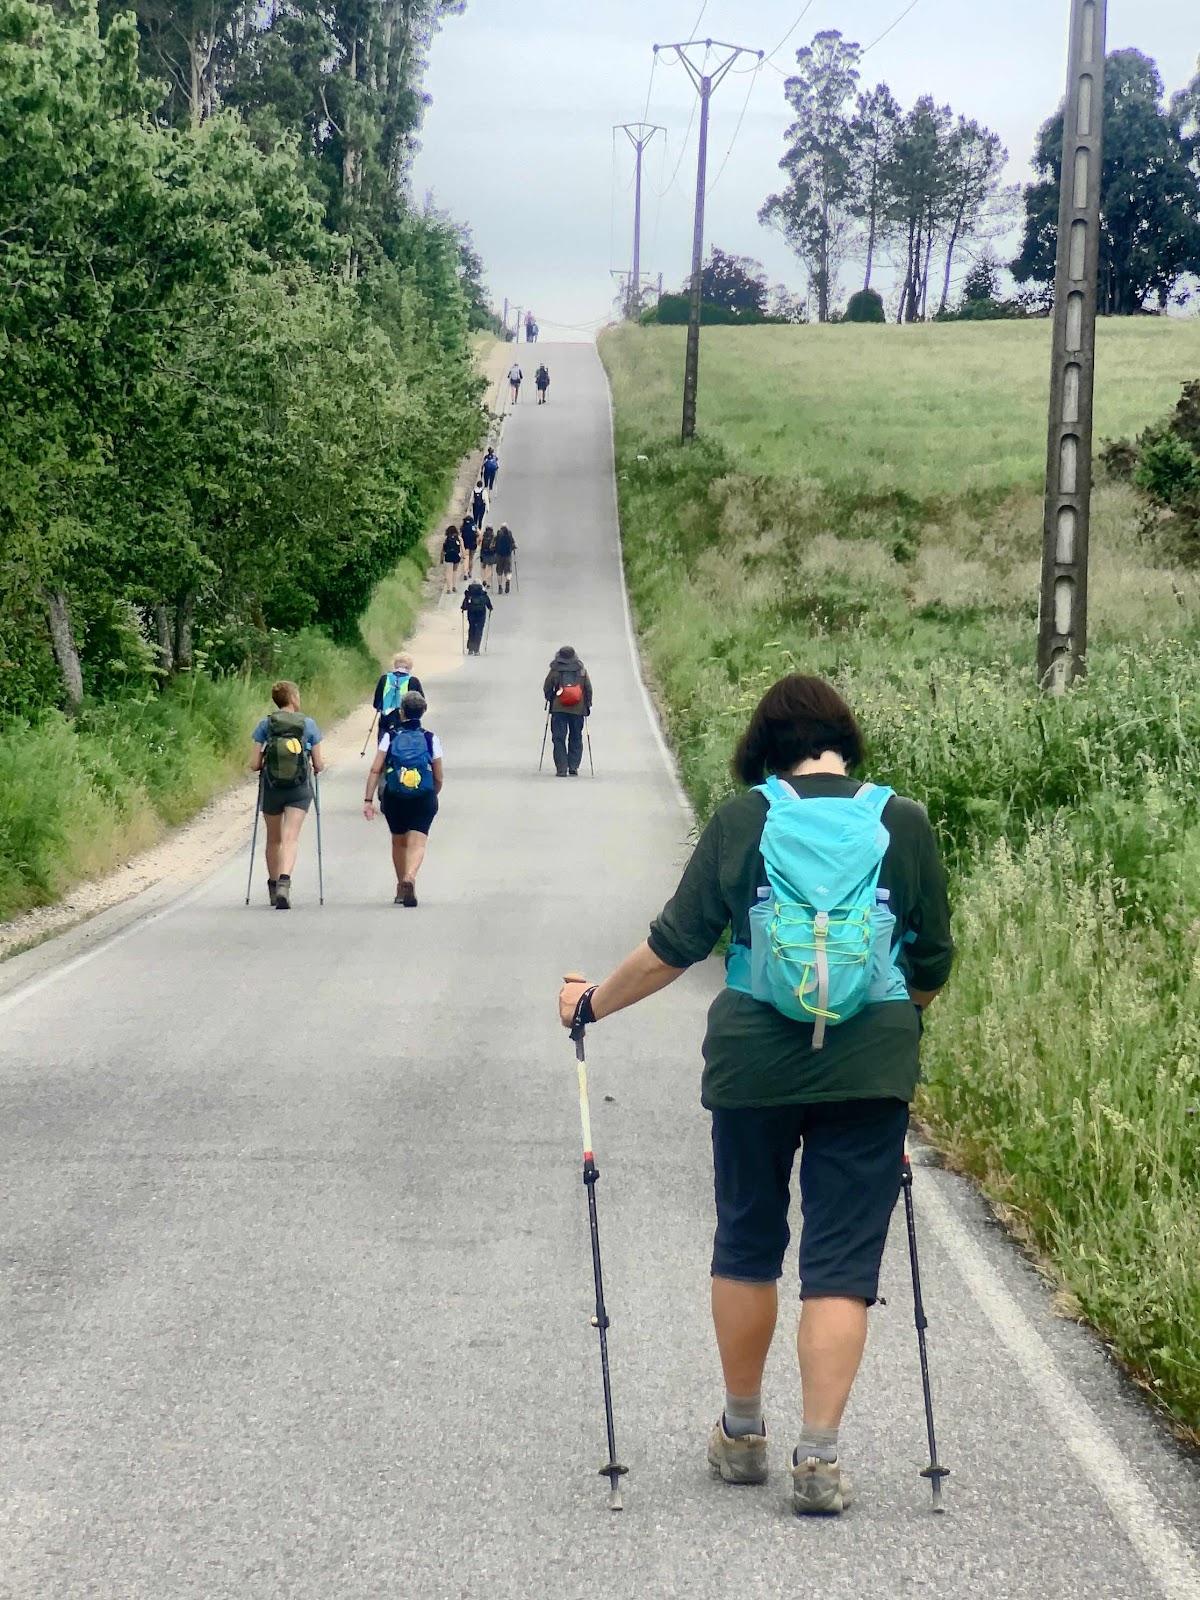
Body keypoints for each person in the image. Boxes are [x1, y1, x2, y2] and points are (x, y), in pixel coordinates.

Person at [556, 675, 954, 1517]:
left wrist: (590, 1004)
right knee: (841, 1263)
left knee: (747, 1238)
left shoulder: (745, 819)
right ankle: (820, 1458)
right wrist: (896, 1017)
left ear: (763, 748)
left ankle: (742, 1435)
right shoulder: (903, 820)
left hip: (753, 1065)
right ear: (845, 740)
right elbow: (932, 959)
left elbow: (674, 946)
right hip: (869, 1067)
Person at [250, 680, 326, 910]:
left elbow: (254, 764)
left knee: (273, 839)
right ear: (293, 698)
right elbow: (319, 765)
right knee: (290, 837)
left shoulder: (265, 725)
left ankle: (273, 888)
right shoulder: (308, 724)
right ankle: (285, 883)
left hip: (272, 787)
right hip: (298, 789)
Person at [363, 692, 443, 907]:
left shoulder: (390, 736)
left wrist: (368, 800)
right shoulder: (430, 738)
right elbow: (438, 776)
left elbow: (375, 769)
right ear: (423, 711)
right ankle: (410, 877)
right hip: (423, 796)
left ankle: (400, 887)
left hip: (395, 797)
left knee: (398, 841)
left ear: (401, 712)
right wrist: (431, 794)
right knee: (418, 843)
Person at [543, 644, 592, 777]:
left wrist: (551, 699)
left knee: (559, 738)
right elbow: (588, 688)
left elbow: (547, 687)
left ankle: (561, 768)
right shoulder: (581, 670)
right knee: (576, 737)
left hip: (559, 709)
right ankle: (573, 766)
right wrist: (587, 704)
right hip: (578, 709)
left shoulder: (555, 670)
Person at [373, 653, 425, 735]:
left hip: (385, 719)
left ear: (395, 665)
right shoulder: (413, 681)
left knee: (384, 740)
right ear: (410, 667)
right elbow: (421, 704)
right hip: (405, 721)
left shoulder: (384, 678)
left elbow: (376, 704)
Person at [461, 580, 492, 655]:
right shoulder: (482, 593)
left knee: (472, 629)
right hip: (481, 613)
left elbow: (464, 605)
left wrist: (463, 608)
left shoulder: (469, 593)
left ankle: (470, 649)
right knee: (479, 630)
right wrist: (490, 608)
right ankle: (476, 650)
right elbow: (488, 602)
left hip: (471, 613)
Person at [494, 524, 517, 594]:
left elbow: (493, 545)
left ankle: (500, 587)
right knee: (508, 571)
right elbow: (514, 545)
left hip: (499, 555)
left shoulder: (498, 534)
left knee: (499, 572)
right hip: (508, 555)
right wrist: (513, 548)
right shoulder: (509, 534)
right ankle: (508, 581)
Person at [442, 523, 462, 594]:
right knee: (454, 571)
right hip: (456, 556)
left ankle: (448, 589)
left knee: (448, 572)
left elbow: (443, 550)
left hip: (448, 556)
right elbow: (462, 548)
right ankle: (454, 586)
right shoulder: (459, 538)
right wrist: (463, 556)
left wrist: (441, 558)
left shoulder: (446, 538)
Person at [461, 511, 479, 580]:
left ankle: (465, 573)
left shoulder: (463, 527)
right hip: (473, 544)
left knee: (465, 558)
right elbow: (478, 534)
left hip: (465, 544)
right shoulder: (474, 526)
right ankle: (470, 572)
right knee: (471, 559)